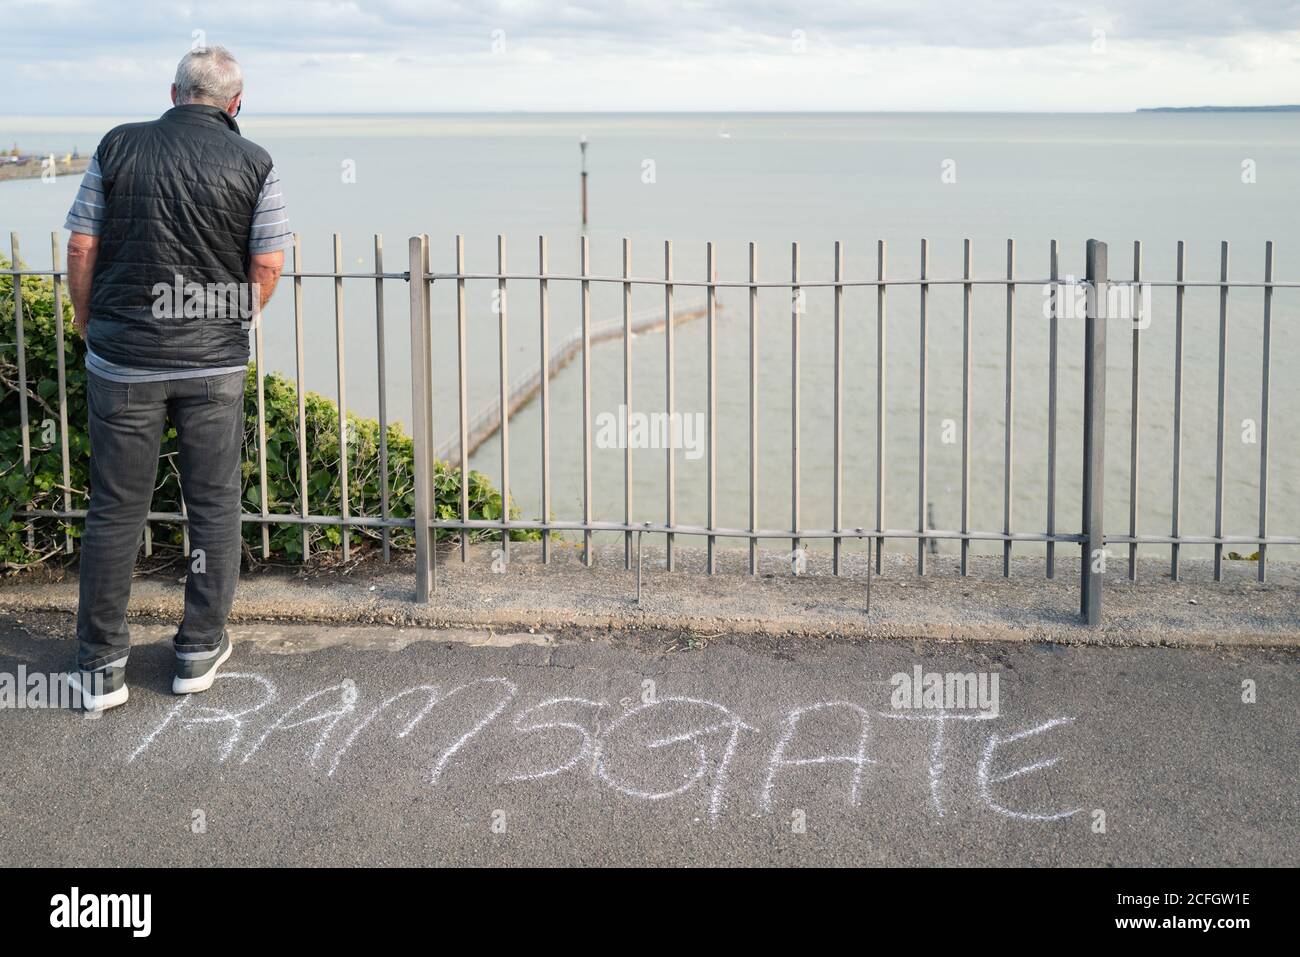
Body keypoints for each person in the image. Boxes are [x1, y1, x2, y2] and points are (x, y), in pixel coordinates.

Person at [63, 45, 291, 711]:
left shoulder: (118, 146)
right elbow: (268, 263)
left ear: (172, 92)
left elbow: (81, 244)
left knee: (114, 508)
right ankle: (196, 648)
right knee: (213, 504)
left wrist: (87, 319)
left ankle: (102, 664)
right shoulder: (255, 161)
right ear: (236, 104)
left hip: (123, 358)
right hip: (213, 365)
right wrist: (226, 321)